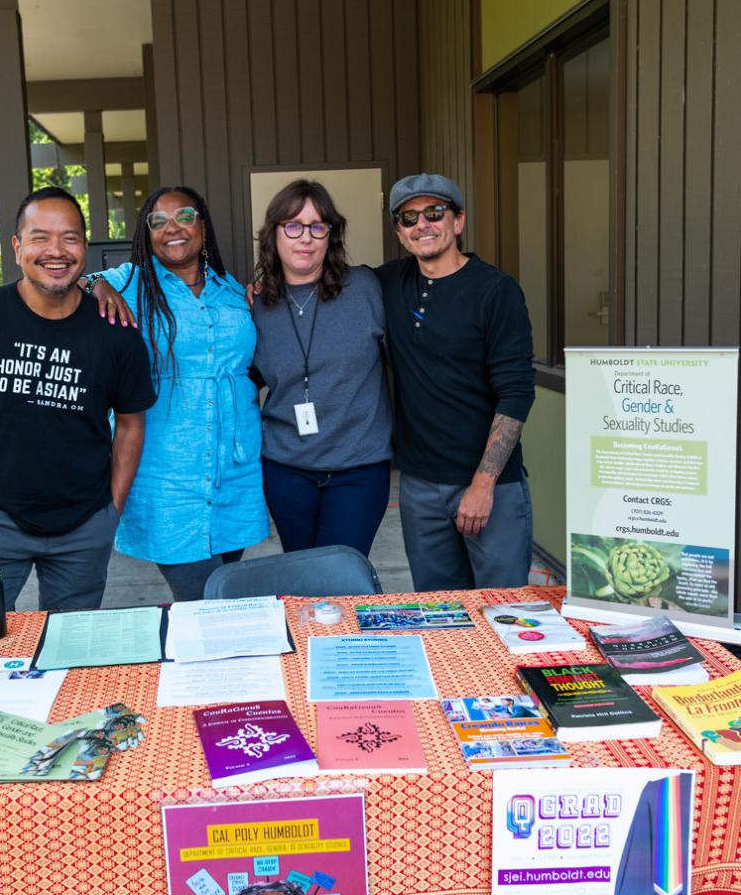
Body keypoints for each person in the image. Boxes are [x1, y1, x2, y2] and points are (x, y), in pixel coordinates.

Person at [0, 186, 156, 611]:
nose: (56, 250)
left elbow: (130, 423)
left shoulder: (116, 331)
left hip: (85, 522)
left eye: (69, 238)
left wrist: (111, 510)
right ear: (17, 247)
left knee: (74, 650)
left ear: (84, 248)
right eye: (40, 237)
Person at [86, 186, 268, 600]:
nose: (173, 228)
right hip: (167, 472)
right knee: (201, 599)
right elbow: (70, 281)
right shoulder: (129, 281)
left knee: (222, 590)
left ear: (202, 225)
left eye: (184, 217)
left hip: (234, 468)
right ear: (146, 233)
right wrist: (97, 285)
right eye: (158, 221)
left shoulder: (232, 291)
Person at [375, 173, 535, 591]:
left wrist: (483, 485)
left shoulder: (495, 291)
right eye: (408, 218)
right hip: (419, 487)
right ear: (398, 232)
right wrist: (264, 286)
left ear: (458, 221)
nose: (421, 224)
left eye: (434, 212)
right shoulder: (388, 283)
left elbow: (516, 392)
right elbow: (326, 279)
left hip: (489, 486)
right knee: (439, 613)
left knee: (504, 612)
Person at [250, 179, 392, 556]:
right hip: (286, 470)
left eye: (317, 226)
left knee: (341, 578)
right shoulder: (255, 307)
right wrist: (97, 282)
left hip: (359, 470)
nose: (305, 238)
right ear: (274, 235)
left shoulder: (366, 288)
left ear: (331, 235)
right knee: (300, 577)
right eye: (293, 226)